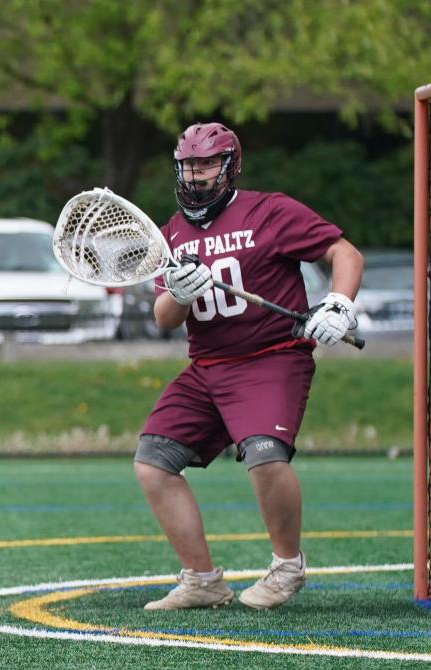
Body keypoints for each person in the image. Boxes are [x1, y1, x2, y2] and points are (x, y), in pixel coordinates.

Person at [133, 122, 364, 611]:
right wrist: (179, 293)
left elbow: (343, 252)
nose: (196, 175)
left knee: (263, 453)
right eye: (188, 165)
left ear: (229, 166)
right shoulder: (171, 231)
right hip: (208, 367)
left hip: (270, 357)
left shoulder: (269, 210)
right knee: (153, 461)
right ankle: (201, 580)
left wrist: (338, 304)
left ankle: (287, 566)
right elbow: (163, 319)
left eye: (206, 164)